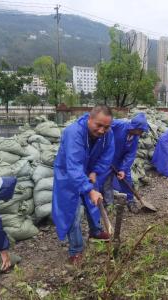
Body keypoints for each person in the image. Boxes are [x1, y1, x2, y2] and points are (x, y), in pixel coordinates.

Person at [52, 105, 115, 265]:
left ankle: (96, 232)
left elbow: (107, 155)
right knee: (71, 212)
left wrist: (95, 171)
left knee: (93, 204)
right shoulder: (73, 132)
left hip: (89, 171)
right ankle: (76, 250)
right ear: (89, 119)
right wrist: (88, 189)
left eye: (106, 127)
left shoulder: (108, 134)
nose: (102, 130)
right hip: (68, 173)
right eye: (98, 125)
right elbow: (73, 166)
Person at [103, 113, 149, 214]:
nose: (141, 133)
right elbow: (104, 125)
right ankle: (109, 205)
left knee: (126, 179)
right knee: (107, 181)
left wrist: (123, 169)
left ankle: (130, 201)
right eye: (140, 130)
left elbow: (130, 155)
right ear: (135, 127)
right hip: (108, 158)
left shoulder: (135, 138)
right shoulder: (119, 125)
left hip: (120, 161)